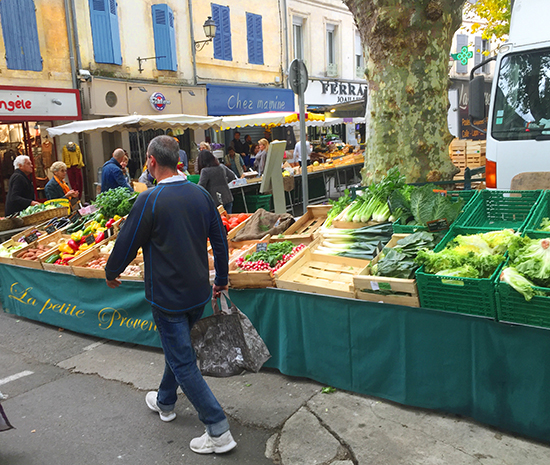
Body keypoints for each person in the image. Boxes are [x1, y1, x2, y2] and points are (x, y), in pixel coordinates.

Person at [104, 135, 236, 455]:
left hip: (167, 297)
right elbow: (220, 240)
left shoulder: (149, 199)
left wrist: (111, 271)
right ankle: (165, 400)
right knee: (178, 350)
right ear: (177, 159)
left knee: (183, 359)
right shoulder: (200, 194)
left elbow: (127, 242)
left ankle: (218, 429)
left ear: (151, 162)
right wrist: (220, 278)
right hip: (197, 292)